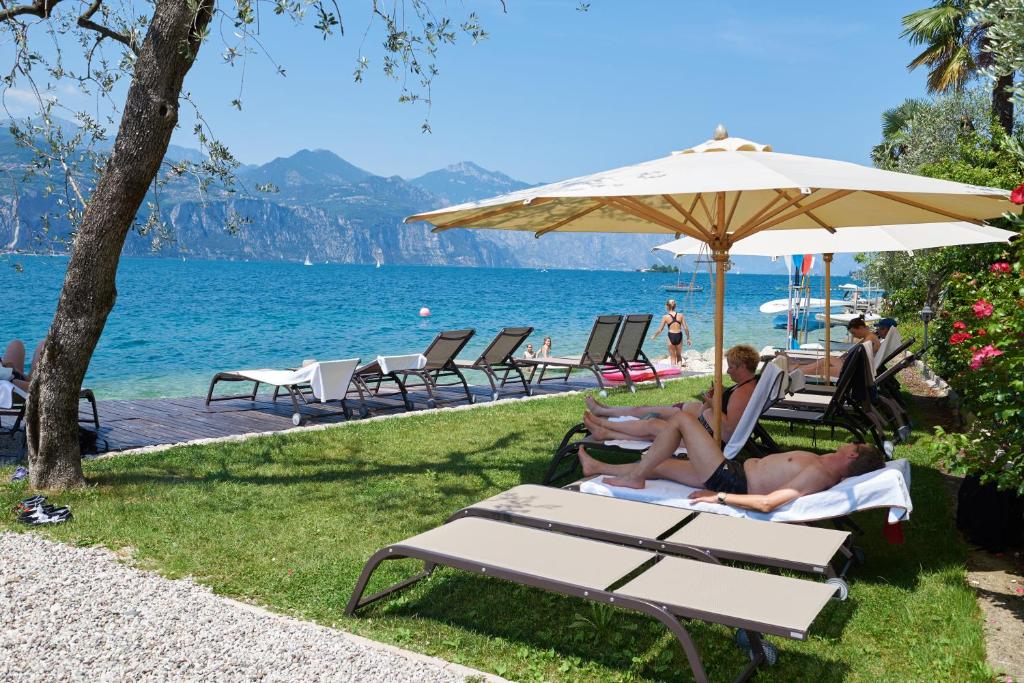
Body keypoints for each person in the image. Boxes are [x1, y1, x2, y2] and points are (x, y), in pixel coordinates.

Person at [578, 410, 885, 512]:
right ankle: (597, 468)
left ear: (853, 454)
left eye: (854, 444)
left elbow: (768, 503)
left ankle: (635, 476)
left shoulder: (820, 475)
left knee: (683, 419)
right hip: (734, 471)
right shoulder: (825, 463)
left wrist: (720, 497)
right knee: (660, 465)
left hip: (731, 480)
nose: (850, 442)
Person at [583, 344, 759, 443]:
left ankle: (604, 426)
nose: (728, 371)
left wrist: (713, 403)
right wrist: (716, 397)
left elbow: (728, 429)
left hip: (706, 439)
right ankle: (605, 426)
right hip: (702, 427)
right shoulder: (746, 386)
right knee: (650, 423)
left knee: (651, 425)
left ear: (743, 366)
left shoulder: (742, 394)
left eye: (731, 367)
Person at [794, 317, 880, 379]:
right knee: (827, 360)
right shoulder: (869, 337)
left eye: (854, 333)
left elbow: (862, 358)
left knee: (822, 369)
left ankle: (797, 371)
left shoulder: (869, 340)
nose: (854, 336)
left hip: (853, 370)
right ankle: (798, 369)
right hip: (851, 366)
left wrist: (844, 360)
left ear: (861, 328)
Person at [650, 299, 690, 366]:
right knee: (679, 356)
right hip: (679, 335)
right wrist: (688, 338)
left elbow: (660, 330)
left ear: (667, 306)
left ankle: (674, 371)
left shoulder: (665, 317)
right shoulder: (681, 315)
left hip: (671, 336)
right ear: (675, 306)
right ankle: (679, 370)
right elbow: (685, 328)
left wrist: (654, 336)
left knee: (673, 357)